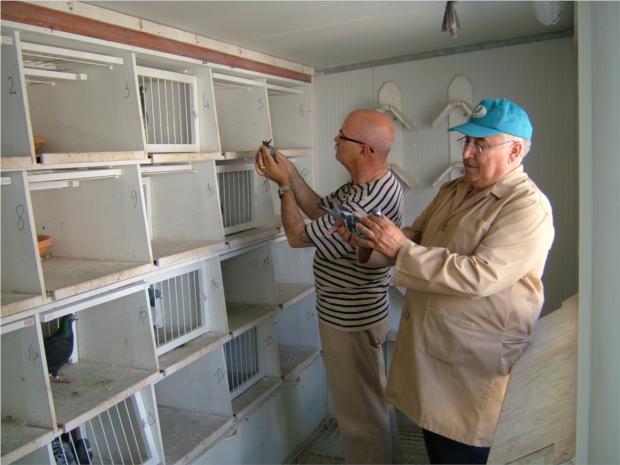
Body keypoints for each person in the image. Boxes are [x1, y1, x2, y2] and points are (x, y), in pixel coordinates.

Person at [353, 98, 555, 464]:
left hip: (470, 371)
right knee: (438, 451)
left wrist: (400, 248)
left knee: (462, 454)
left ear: (514, 151)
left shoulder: (526, 207)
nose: (467, 153)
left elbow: (481, 275)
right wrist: (370, 239)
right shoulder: (455, 189)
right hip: (433, 360)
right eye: (466, 141)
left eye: (481, 144)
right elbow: (414, 238)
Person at [255, 109, 404, 464]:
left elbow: (297, 236)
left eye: (342, 136)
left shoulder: (366, 203)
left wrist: (284, 186)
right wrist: (289, 170)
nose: (335, 139)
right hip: (359, 316)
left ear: (364, 149)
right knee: (373, 407)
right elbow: (320, 210)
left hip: (350, 322)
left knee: (360, 421)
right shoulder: (370, 184)